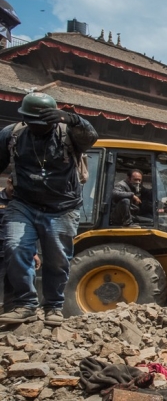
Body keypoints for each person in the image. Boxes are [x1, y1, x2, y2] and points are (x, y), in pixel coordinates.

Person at [0, 92, 98, 327]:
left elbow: (91, 137)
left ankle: (53, 306)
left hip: (62, 208)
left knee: (57, 259)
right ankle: (25, 304)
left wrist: (72, 118)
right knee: (14, 246)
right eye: (32, 122)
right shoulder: (12, 135)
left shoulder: (69, 135)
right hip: (24, 203)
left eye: (43, 124)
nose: (37, 127)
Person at [0, 176, 40, 313]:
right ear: (9, 182)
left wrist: (33, 252)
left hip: (14, 252)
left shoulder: (25, 203)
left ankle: (9, 315)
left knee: (14, 286)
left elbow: (27, 232)